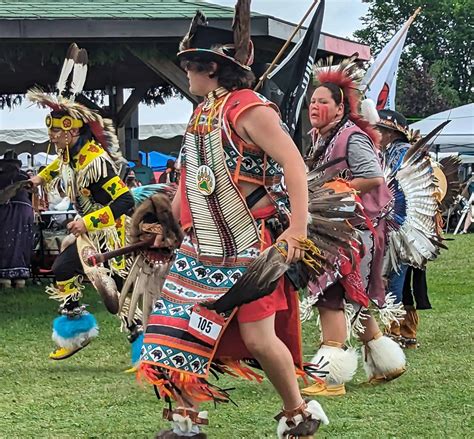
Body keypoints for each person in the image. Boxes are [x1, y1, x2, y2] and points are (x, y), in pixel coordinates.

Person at [137, 5, 328, 438]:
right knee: (173, 332)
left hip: (246, 244)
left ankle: (298, 413)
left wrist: (298, 229)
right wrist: (171, 226)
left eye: (189, 64)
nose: (185, 71)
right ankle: (185, 422)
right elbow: (191, 179)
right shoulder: (202, 112)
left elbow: (294, 165)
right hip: (200, 247)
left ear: (210, 68)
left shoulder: (249, 108)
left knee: (259, 339)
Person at [301, 60, 406, 398]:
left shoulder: (351, 136)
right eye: (312, 102)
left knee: (330, 297)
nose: (315, 107)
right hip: (337, 229)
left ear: (340, 106)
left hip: (351, 232)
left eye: (323, 102)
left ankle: (330, 377)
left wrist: (336, 189)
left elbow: (374, 176)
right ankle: (387, 362)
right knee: (353, 300)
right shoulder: (322, 138)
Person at [27, 43, 134, 360]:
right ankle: (76, 334)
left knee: (123, 295)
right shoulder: (70, 155)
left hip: (112, 235)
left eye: (57, 130)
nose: (52, 135)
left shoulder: (93, 161)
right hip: (89, 235)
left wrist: (87, 222)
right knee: (62, 270)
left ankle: (149, 349)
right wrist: (39, 179)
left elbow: (125, 201)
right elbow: (59, 167)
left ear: (72, 130)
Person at [0, 150, 34, 289]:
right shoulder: (24, 175)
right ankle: (20, 278)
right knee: (22, 242)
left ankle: (5, 278)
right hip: (25, 211)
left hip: (8, 211)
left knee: (6, 241)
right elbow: (33, 194)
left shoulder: (2, 177)